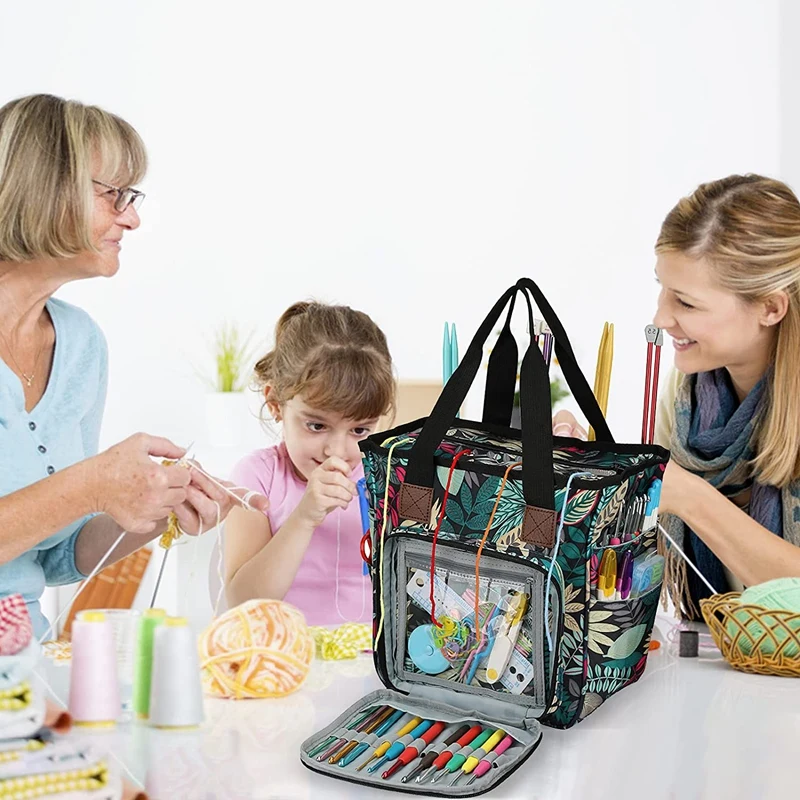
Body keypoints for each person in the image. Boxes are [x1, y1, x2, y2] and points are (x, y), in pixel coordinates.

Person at [0, 94, 267, 637]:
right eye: (113, 194)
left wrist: (156, 508)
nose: (133, 218)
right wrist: (93, 485)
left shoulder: (80, 345)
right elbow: (80, 492)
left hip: (23, 663)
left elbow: (57, 556)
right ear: (45, 189)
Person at [554, 174, 800, 618]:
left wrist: (689, 496)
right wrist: (599, 473)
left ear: (770, 307)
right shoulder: (689, 395)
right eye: (662, 289)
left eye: (686, 303)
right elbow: (654, 546)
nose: (661, 317)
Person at [224, 301, 395, 625]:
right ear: (275, 403)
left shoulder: (388, 478)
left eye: (360, 430)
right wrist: (304, 517)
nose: (337, 451)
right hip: (286, 651)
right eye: (316, 425)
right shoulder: (257, 477)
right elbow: (243, 603)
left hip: (372, 654)